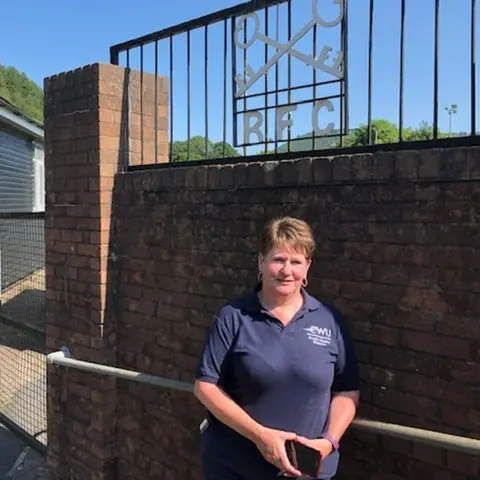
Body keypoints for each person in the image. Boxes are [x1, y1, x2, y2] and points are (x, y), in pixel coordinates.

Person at [194, 216, 360, 479]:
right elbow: (205, 386)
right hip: (237, 466)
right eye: (278, 260)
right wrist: (261, 436)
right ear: (261, 262)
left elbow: (346, 390)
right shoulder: (234, 316)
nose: (287, 270)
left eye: (296, 262)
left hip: (305, 471)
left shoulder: (329, 320)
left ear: (307, 268)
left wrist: (328, 442)